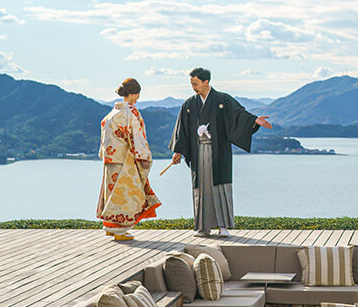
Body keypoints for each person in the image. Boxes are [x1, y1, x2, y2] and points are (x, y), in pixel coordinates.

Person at [169, 67, 273, 237]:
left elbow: (238, 114)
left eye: (196, 83)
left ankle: (223, 226)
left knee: (220, 187)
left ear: (206, 82)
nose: (193, 87)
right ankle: (203, 227)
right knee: (201, 188)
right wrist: (178, 151)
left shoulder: (222, 100)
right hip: (198, 152)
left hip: (219, 151)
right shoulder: (189, 104)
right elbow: (182, 130)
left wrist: (254, 120)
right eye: (192, 84)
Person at [97, 78, 161, 240]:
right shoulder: (130, 113)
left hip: (110, 160)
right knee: (124, 196)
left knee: (111, 193)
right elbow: (137, 137)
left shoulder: (111, 114)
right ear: (135, 94)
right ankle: (119, 230)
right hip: (126, 160)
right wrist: (144, 156)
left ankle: (109, 226)